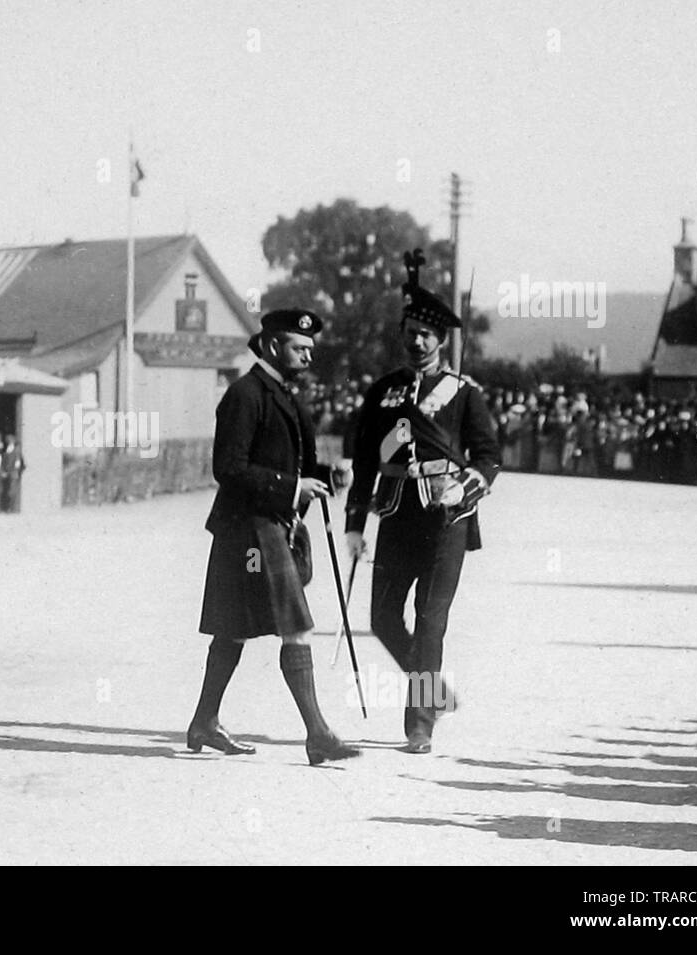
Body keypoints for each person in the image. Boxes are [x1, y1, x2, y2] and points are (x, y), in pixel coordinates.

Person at [344, 250, 500, 754]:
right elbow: (366, 459)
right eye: (410, 331)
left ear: (442, 340)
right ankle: (434, 691)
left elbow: (490, 458)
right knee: (382, 619)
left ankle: (419, 725)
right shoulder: (384, 391)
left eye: (426, 335)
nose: (416, 341)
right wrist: (354, 523)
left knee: (431, 621)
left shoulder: (463, 392)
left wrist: (464, 487)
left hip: (446, 518)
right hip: (395, 515)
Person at [189, 308, 359, 766]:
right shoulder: (245, 395)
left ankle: (205, 720)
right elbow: (228, 467)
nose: (307, 355)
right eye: (299, 347)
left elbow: (290, 464)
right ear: (270, 346)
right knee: (294, 625)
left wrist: (326, 475)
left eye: (310, 349)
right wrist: (292, 488)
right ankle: (318, 734)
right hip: (250, 529)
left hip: (263, 526)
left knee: (234, 629)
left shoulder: (282, 394)